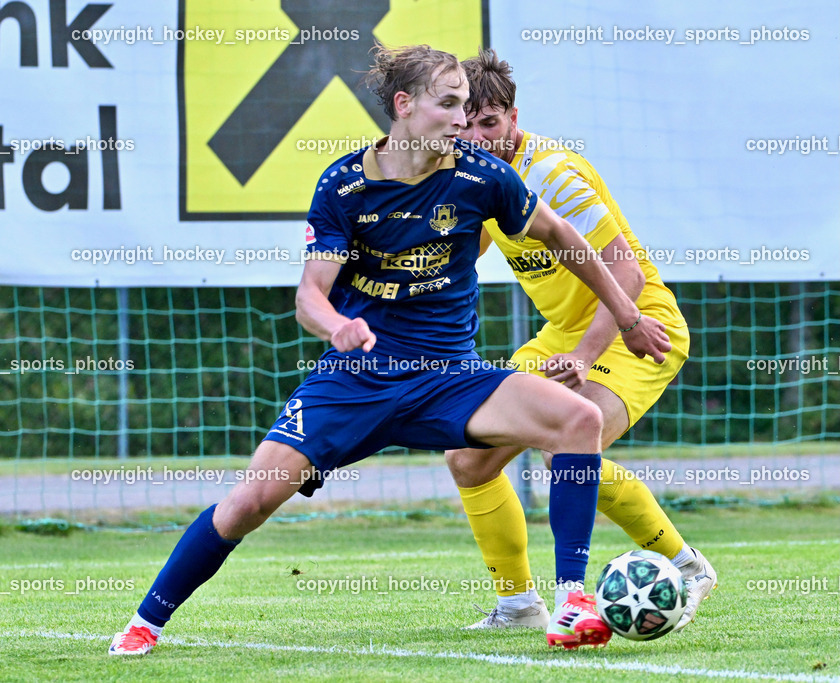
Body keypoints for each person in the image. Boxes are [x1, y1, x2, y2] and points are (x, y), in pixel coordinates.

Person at [109, 43, 671, 656]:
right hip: (356, 379)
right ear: (404, 106)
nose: (462, 120)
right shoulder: (345, 186)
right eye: (449, 105)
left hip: (450, 379)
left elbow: (565, 238)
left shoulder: (482, 178)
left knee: (579, 418)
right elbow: (309, 296)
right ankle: (144, 624)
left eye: (469, 108)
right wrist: (335, 328)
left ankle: (571, 601)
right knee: (250, 500)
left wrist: (626, 316)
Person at [446, 48, 716, 633]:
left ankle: (685, 565)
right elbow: (464, 253)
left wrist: (583, 357)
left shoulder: (551, 175)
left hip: (636, 325)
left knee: (562, 446)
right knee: (468, 457)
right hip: (563, 334)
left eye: (489, 123)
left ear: (513, 117)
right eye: (466, 126)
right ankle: (519, 605)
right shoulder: (474, 176)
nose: (479, 138)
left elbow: (626, 273)